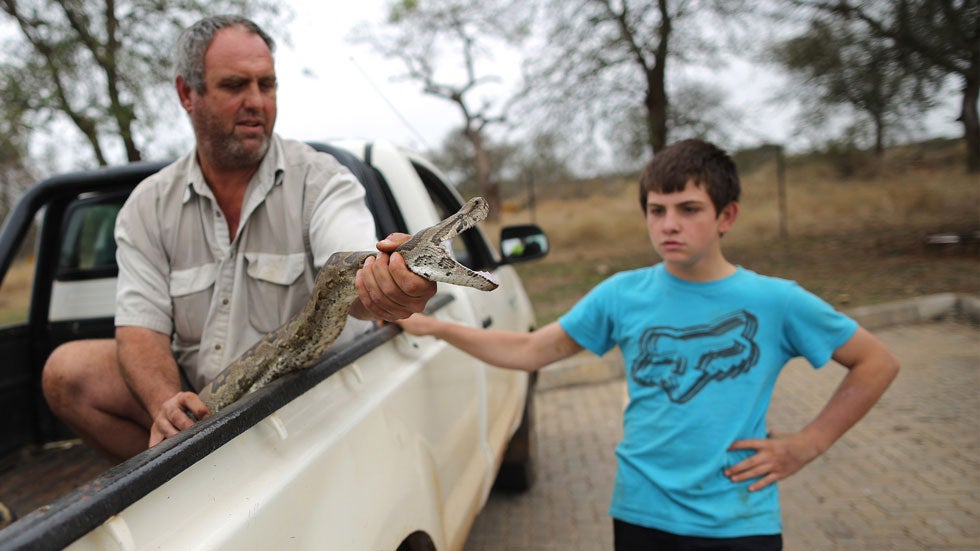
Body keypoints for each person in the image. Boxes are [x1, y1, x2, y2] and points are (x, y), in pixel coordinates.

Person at [397, 139, 899, 550]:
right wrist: (439, 327)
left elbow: (876, 362)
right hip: (641, 512)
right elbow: (533, 351)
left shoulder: (775, 301)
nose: (669, 224)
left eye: (689, 209)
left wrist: (808, 444)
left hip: (738, 520)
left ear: (727, 216)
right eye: (656, 210)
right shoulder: (622, 294)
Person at [41, 15, 436, 464]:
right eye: (234, 86)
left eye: (266, 85)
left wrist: (391, 288)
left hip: (301, 400)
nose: (256, 102)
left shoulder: (325, 183)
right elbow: (139, 327)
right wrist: (166, 404)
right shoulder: (147, 205)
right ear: (187, 94)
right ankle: (173, 484)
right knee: (66, 371)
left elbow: (355, 273)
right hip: (203, 398)